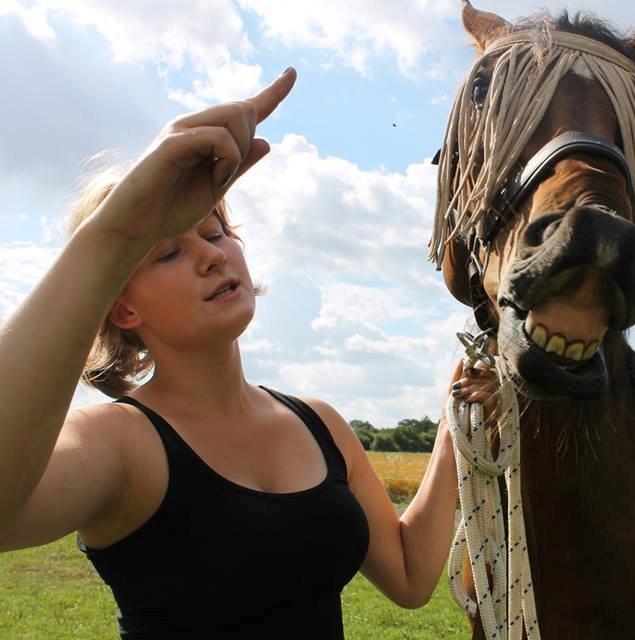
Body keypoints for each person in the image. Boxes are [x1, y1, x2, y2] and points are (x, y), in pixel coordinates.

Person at [0, 68, 496, 639]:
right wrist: (114, 236)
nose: (211, 257)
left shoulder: (320, 424)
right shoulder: (117, 440)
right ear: (121, 309)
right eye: (166, 254)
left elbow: (409, 577)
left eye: (214, 234)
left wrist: (454, 419)